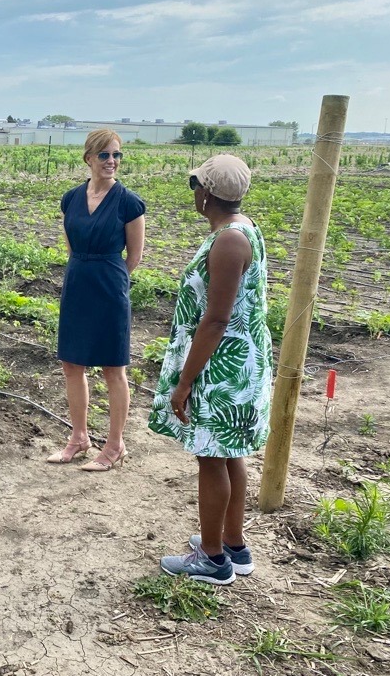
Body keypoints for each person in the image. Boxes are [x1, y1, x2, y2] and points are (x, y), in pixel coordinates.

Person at [148, 154, 273, 585]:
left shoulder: (228, 241)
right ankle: (233, 545)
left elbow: (217, 319)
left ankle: (213, 558)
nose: (194, 191)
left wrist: (185, 382)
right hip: (236, 364)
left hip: (221, 369)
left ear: (207, 193)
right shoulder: (242, 229)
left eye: (195, 184)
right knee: (229, 454)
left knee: (211, 459)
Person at [48, 129, 146, 471]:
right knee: (72, 364)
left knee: (112, 367)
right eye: (104, 155)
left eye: (116, 155)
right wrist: (83, 269)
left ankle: (115, 444)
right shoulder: (70, 198)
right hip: (77, 281)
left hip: (109, 285)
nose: (111, 161)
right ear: (89, 158)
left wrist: (111, 279)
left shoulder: (129, 202)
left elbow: (133, 257)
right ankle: (79, 438)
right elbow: (71, 244)